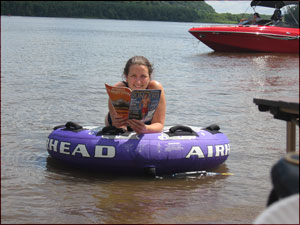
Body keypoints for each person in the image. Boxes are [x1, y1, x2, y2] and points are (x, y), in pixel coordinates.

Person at [105, 56, 166, 134]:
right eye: (133, 76)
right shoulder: (118, 89)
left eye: (143, 76)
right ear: (126, 77)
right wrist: (118, 124)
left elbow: (159, 124)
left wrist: (146, 129)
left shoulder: (155, 88)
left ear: (149, 77)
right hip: (118, 122)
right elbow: (119, 126)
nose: (138, 82)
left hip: (146, 123)